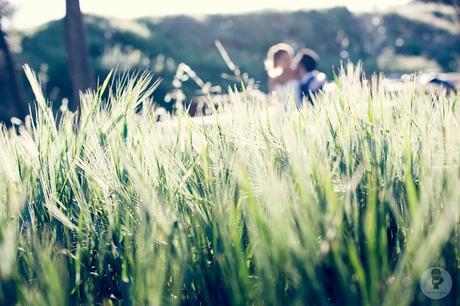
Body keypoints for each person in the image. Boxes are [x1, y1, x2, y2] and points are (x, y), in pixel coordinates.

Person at [265, 43, 300, 107]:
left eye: (289, 58)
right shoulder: (274, 79)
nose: (288, 61)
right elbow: (272, 97)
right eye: (284, 59)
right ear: (277, 61)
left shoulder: (297, 73)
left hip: (298, 108)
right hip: (280, 111)